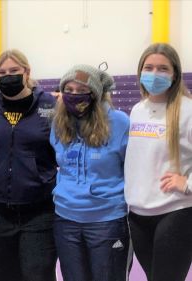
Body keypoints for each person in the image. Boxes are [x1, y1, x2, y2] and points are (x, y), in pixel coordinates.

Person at [0, 49, 57, 281]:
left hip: (38, 210)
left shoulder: (49, 105)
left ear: (27, 72)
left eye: (14, 71)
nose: (7, 76)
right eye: (1, 73)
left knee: (39, 273)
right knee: (5, 275)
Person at [50, 64, 131, 281]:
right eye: (69, 90)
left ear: (95, 93)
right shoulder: (58, 123)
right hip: (66, 219)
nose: (74, 95)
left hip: (107, 220)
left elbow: (131, 168)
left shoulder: (120, 123)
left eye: (81, 90)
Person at [125, 43, 192, 281]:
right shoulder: (137, 110)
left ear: (174, 74)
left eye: (163, 68)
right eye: (149, 67)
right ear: (140, 72)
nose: (155, 74)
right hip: (138, 214)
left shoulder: (187, 110)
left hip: (175, 212)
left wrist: (187, 183)